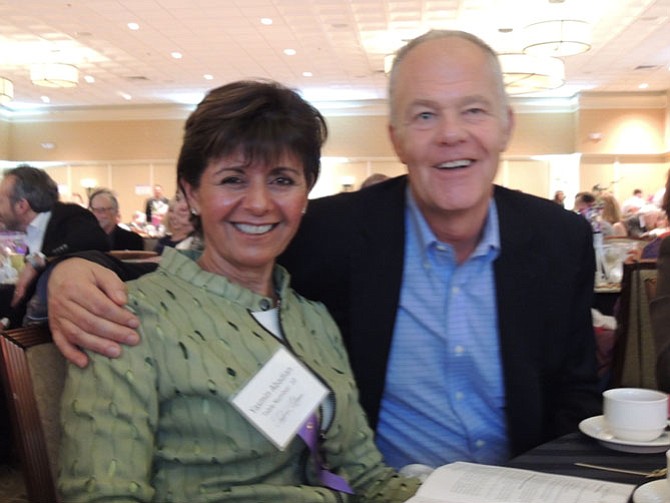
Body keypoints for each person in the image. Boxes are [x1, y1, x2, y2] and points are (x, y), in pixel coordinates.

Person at [48, 30, 601, 469]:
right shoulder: (332, 233)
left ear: (507, 125)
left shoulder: (558, 238)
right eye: (426, 114)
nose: (451, 134)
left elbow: (577, 397)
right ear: (396, 137)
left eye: (474, 110)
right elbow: (216, 256)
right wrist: (72, 265)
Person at [57, 80, 420, 501]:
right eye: (233, 180)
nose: (260, 203)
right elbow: (103, 495)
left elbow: (367, 476)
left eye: (282, 180)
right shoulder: (127, 319)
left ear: (306, 194)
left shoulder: (313, 319)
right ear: (191, 193)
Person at [0, 165, 109, 319]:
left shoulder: (71, 215)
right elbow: (26, 292)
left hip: (77, 321)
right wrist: (7, 321)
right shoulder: (30, 231)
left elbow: (94, 240)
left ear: (22, 206)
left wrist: (39, 260)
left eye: (0, 202)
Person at [153, 190, 202, 255]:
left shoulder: (194, 243)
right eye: (171, 211)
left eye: (183, 211)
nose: (174, 216)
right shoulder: (163, 240)